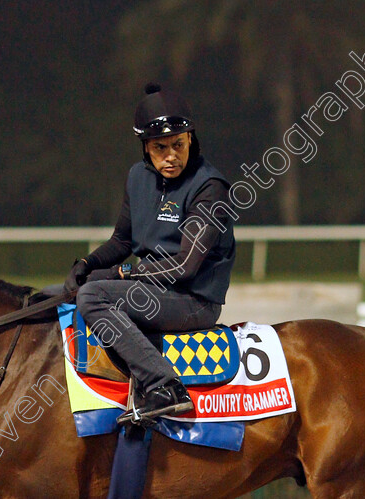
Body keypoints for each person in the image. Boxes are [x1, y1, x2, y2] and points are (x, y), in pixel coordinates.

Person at [64, 83, 236, 421]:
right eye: (160, 148)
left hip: (193, 301)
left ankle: (164, 386)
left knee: (94, 297)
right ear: (145, 147)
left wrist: (122, 273)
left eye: (178, 145)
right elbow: (122, 242)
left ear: (191, 139)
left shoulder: (209, 187)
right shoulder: (137, 177)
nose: (170, 155)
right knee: (58, 295)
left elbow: (186, 266)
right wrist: (86, 264)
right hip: (151, 291)